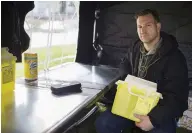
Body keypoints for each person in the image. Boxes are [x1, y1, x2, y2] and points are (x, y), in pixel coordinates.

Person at [95, 9, 189, 133]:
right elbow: (123, 73)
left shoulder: (174, 57)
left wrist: (153, 119)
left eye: (148, 25)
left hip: (158, 111)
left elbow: (177, 97)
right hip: (131, 107)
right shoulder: (134, 49)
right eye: (139, 26)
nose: (142, 30)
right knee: (104, 123)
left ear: (158, 26)